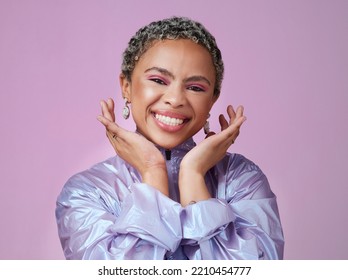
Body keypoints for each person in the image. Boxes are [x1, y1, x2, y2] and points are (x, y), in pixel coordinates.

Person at [55, 16, 284, 260]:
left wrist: (193, 174)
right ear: (126, 86)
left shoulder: (243, 180)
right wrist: (153, 172)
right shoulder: (86, 192)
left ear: (212, 100)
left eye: (195, 87)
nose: (175, 99)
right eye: (158, 80)